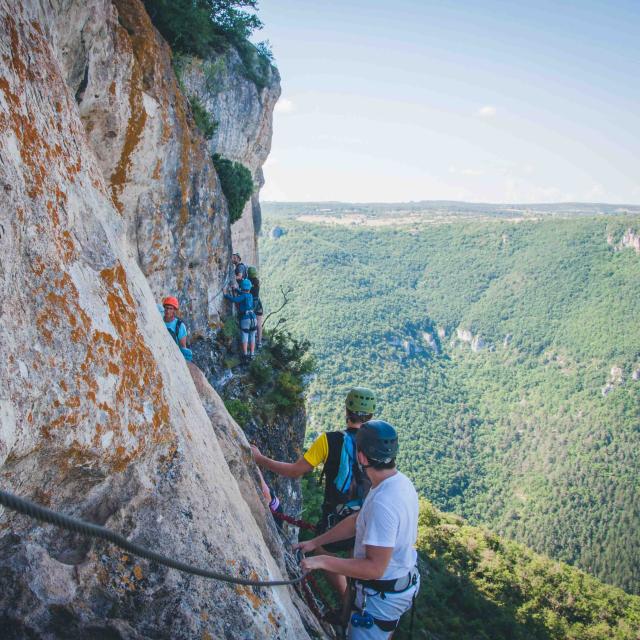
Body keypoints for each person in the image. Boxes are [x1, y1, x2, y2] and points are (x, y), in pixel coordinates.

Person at [296, 420, 420, 639]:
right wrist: (316, 543)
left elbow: (374, 568)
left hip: (380, 597)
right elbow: (357, 521)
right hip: (394, 586)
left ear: (362, 457)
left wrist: (322, 561)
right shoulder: (398, 482)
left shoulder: (384, 501)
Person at [251, 387, 377, 598]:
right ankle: (356, 602)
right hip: (369, 516)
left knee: (323, 550)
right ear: (371, 415)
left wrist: (260, 459)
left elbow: (294, 471)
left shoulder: (329, 440)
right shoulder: (379, 444)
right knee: (358, 561)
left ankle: (346, 597)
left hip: (335, 518)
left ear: (347, 410)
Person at [223, 278, 257, 360]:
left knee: (245, 335)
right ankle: (252, 354)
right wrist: (236, 290)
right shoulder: (250, 295)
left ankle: (245, 355)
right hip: (253, 318)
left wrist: (225, 295)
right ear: (249, 288)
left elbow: (235, 300)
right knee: (252, 336)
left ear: (242, 287)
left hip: (245, 319)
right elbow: (243, 294)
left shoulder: (243, 296)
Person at [162, 296, 193, 361]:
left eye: (170, 309)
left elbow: (183, 348)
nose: (168, 311)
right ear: (164, 308)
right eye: (166, 308)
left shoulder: (179, 326)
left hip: (173, 356)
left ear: (174, 310)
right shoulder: (159, 320)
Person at [247, 266, 263, 348]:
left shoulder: (247, 282)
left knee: (250, 323)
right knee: (259, 324)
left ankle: (250, 342)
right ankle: (259, 342)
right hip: (258, 304)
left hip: (250, 304)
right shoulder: (257, 282)